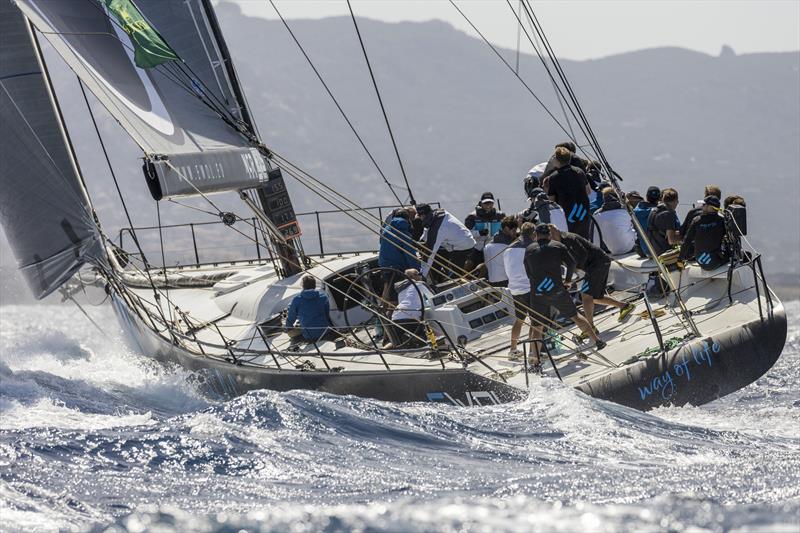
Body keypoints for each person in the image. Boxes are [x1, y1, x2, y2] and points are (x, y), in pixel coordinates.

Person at [524, 224, 606, 372]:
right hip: (557, 290)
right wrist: (568, 280)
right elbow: (572, 263)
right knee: (576, 316)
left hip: (538, 293)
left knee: (537, 327)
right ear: (549, 234)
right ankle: (598, 341)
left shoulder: (529, 250)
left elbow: (528, 271)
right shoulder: (558, 246)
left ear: (536, 235)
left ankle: (535, 363)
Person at [549, 226, 636, 331]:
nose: (551, 238)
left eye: (552, 234)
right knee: (594, 297)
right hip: (592, 267)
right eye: (549, 237)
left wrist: (573, 270)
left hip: (598, 263)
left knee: (586, 295)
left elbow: (583, 255)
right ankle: (624, 306)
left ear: (557, 231)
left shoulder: (570, 239)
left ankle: (590, 328)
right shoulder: (558, 245)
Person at [415, 204, 476, 282]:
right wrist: (420, 243)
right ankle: (441, 278)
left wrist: (422, 275)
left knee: (455, 272)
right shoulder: (438, 214)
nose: (419, 218)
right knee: (439, 258)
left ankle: (450, 282)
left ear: (422, 215)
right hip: (461, 242)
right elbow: (427, 233)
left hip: (462, 247)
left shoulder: (438, 228)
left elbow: (430, 253)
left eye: (419, 216)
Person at [503, 222, 535, 358]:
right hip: (528, 287)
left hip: (515, 289)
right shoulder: (532, 248)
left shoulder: (508, 249)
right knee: (536, 320)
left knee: (520, 319)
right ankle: (533, 351)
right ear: (533, 234)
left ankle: (513, 349)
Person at [545, 147, 592, 239]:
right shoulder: (579, 171)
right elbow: (588, 191)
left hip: (568, 215)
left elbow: (552, 201)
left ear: (557, 160)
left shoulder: (554, 177)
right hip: (583, 211)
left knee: (572, 240)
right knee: (586, 239)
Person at [378, 208, 420, 303]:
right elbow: (410, 254)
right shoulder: (404, 234)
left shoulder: (386, 229)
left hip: (384, 265)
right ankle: (393, 315)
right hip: (397, 268)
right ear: (408, 219)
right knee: (396, 297)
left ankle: (383, 311)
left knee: (387, 288)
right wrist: (416, 269)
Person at [386, 268, 433, 348]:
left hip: (396, 316)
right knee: (425, 338)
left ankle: (381, 351)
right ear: (412, 276)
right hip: (410, 315)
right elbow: (433, 297)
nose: (421, 276)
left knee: (394, 342)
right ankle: (412, 339)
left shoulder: (401, 289)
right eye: (419, 274)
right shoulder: (420, 284)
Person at [679, 195, 728, 270]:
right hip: (714, 262)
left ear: (710, 207)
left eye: (704, 205)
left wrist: (680, 259)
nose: (702, 206)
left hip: (700, 261)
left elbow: (687, 240)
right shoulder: (722, 220)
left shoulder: (697, 220)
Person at [464, 192, 505, 270]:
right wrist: (479, 233)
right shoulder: (472, 216)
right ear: (481, 203)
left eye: (490, 203)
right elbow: (466, 234)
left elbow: (505, 231)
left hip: (494, 248)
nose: (488, 205)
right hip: (477, 248)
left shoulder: (500, 216)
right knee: (468, 264)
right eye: (486, 203)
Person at [286, 275, 332, 342]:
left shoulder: (296, 300)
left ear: (303, 286)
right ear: (315, 285)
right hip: (326, 331)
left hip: (310, 336)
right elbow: (328, 315)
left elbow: (291, 318)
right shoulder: (323, 297)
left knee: (292, 334)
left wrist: (288, 329)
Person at [592, 189, 637, 255]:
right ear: (617, 197)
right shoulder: (625, 211)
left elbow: (596, 239)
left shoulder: (596, 215)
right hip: (630, 247)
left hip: (613, 250)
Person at [483, 216, 517, 287]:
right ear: (506, 228)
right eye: (514, 230)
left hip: (491, 282)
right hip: (506, 282)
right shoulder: (509, 247)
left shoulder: (487, 246)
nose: (515, 233)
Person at [647, 188, 682, 257]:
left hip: (653, 251)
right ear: (675, 201)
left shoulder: (654, 211)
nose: (677, 203)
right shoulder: (669, 214)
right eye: (677, 200)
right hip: (664, 253)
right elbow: (671, 240)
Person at [632, 186, 660, 257]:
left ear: (647, 197)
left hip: (644, 251)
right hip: (659, 251)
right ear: (659, 198)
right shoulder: (662, 211)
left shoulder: (635, 212)